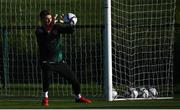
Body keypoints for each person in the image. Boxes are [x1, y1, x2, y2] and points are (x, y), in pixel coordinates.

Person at [35, 9, 92, 106]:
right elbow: (47, 36)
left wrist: (72, 23)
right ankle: (45, 98)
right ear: (41, 20)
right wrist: (52, 25)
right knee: (46, 78)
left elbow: (70, 31)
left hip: (59, 61)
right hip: (46, 61)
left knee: (75, 80)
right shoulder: (39, 30)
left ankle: (78, 97)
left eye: (49, 18)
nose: (48, 21)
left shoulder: (56, 27)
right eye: (46, 19)